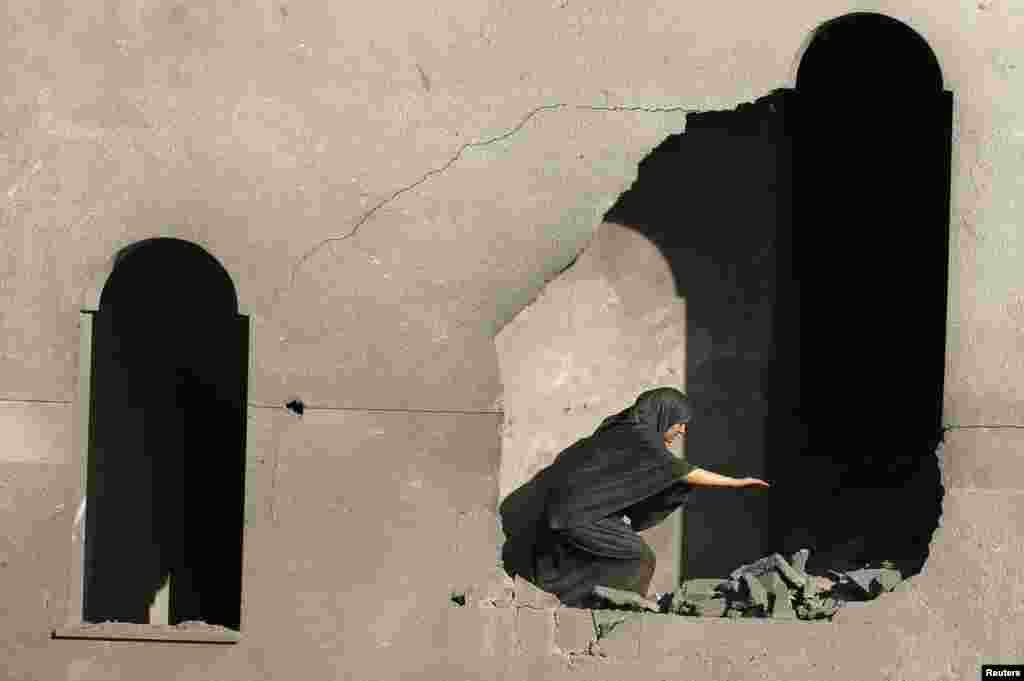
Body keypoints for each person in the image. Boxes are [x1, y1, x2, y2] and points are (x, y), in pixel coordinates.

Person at [532, 387, 770, 610]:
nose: (682, 431)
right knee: (638, 556)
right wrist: (737, 482)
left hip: (582, 513)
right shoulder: (639, 437)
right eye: (679, 424)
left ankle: (594, 600)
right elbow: (681, 471)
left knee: (628, 556)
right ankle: (617, 605)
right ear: (663, 416)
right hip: (578, 516)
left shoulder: (626, 429)